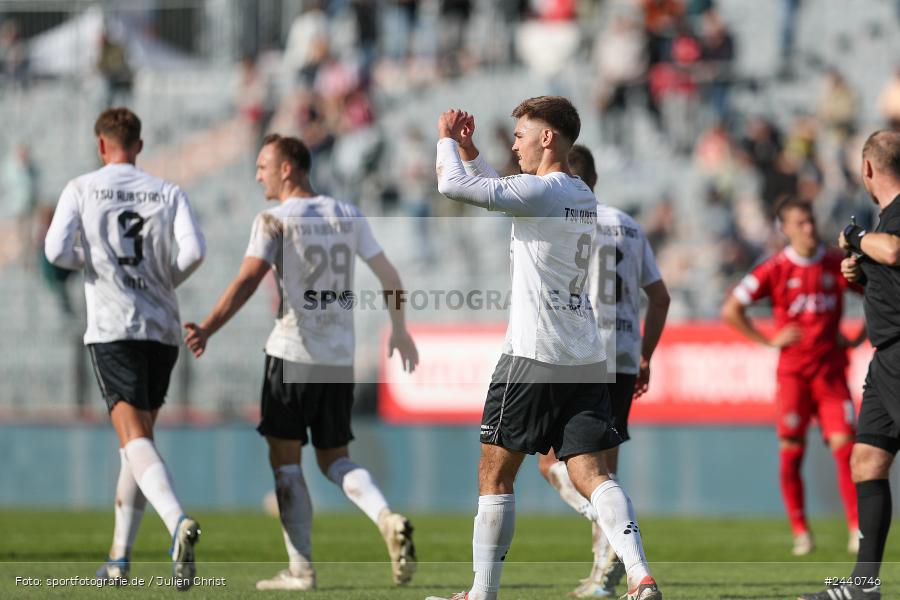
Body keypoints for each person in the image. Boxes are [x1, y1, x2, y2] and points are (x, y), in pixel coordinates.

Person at [427, 97, 662, 600]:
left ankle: (482, 593)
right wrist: (472, 152)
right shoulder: (580, 193)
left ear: (548, 137)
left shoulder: (544, 190)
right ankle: (641, 576)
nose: (514, 144)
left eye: (520, 133)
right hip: (583, 355)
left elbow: (453, 186)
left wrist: (447, 138)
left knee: (495, 473)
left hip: (533, 354)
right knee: (592, 472)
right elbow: (509, 190)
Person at [182, 133, 419, 591]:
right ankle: (386, 516)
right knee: (335, 459)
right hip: (337, 359)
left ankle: (301, 569)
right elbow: (390, 276)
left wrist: (209, 326)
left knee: (285, 463)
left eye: (263, 165)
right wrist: (401, 330)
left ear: (288, 168)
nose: (257, 174)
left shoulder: (274, 218)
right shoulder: (346, 213)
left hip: (291, 353)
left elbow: (249, 280)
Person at [43, 108, 205, 589]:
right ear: (139, 144)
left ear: (101, 145)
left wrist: (93, 264)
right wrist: (161, 280)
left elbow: (54, 252)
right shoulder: (167, 191)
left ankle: (177, 522)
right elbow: (194, 252)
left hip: (113, 326)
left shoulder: (81, 188)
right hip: (161, 328)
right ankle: (119, 558)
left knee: (133, 438)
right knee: (137, 445)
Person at [536, 144, 670, 598]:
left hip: (579, 351)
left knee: (550, 461)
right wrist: (646, 353)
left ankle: (606, 534)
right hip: (626, 354)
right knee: (605, 469)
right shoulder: (630, 225)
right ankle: (603, 574)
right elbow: (661, 296)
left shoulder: (566, 219)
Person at [721, 198, 863, 557]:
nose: (809, 228)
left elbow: (879, 295)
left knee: (847, 450)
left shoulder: (836, 263)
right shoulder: (775, 268)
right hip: (794, 376)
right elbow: (731, 309)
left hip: (831, 372)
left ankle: (856, 529)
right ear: (784, 228)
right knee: (791, 454)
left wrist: (860, 335)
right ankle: (801, 531)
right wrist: (767, 340)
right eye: (800, 223)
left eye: (811, 220)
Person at [799, 130, 900, 600]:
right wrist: (861, 276)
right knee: (867, 460)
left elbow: (895, 250)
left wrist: (858, 238)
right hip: (886, 358)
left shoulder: (892, 219)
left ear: (867, 169)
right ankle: (863, 586)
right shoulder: (886, 220)